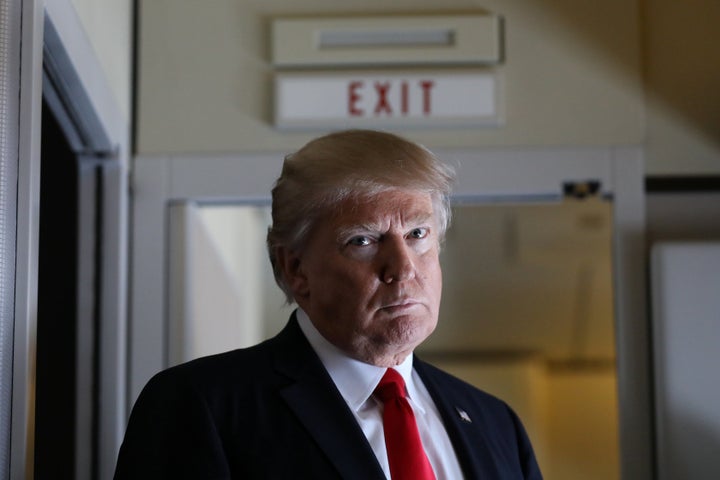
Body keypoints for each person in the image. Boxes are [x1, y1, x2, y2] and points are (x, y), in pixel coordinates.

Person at [114, 129, 542, 479]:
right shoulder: (202, 406)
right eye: (363, 240)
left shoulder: (496, 424)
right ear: (297, 269)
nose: (402, 268)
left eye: (417, 234)